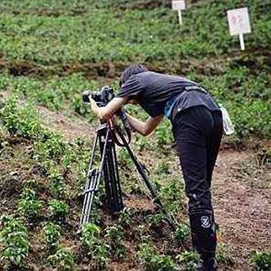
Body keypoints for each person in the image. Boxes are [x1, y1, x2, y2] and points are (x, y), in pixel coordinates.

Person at [88, 64, 222, 271]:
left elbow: (104, 114)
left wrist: (96, 107)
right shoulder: (163, 87)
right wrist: (121, 113)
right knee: (202, 187)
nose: (129, 100)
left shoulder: (135, 80)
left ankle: (204, 263)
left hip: (189, 112)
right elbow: (145, 129)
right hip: (212, 110)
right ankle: (208, 257)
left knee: (196, 191)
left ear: (127, 83)